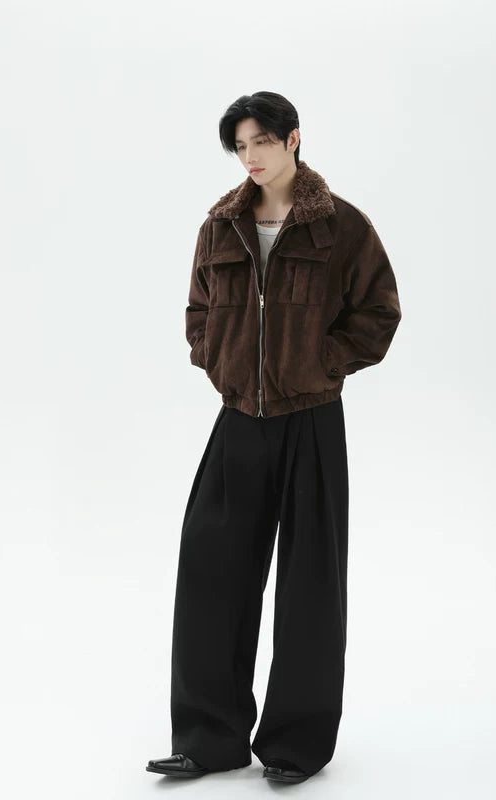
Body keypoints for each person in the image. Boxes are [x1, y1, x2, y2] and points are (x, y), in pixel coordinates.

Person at [146, 91, 402, 783]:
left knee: (310, 584)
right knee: (210, 573)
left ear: (292, 139)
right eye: (240, 145)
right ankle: (208, 738)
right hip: (238, 419)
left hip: (311, 416)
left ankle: (296, 744)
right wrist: (219, 361)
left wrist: (322, 362)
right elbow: (199, 311)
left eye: (262, 141)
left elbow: (378, 313)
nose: (250, 156)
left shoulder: (340, 225)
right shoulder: (220, 226)